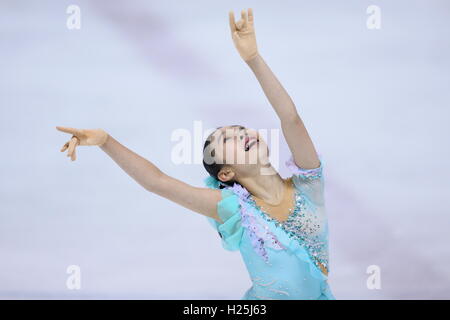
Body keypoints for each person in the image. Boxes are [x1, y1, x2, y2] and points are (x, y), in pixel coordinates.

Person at [56, 8, 335, 300]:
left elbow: (290, 118)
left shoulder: (308, 185)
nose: (241, 134)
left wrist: (253, 59)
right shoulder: (234, 210)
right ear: (226, 173)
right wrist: (105, 141)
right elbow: (158, 181)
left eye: (241, 129)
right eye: (227, 138)